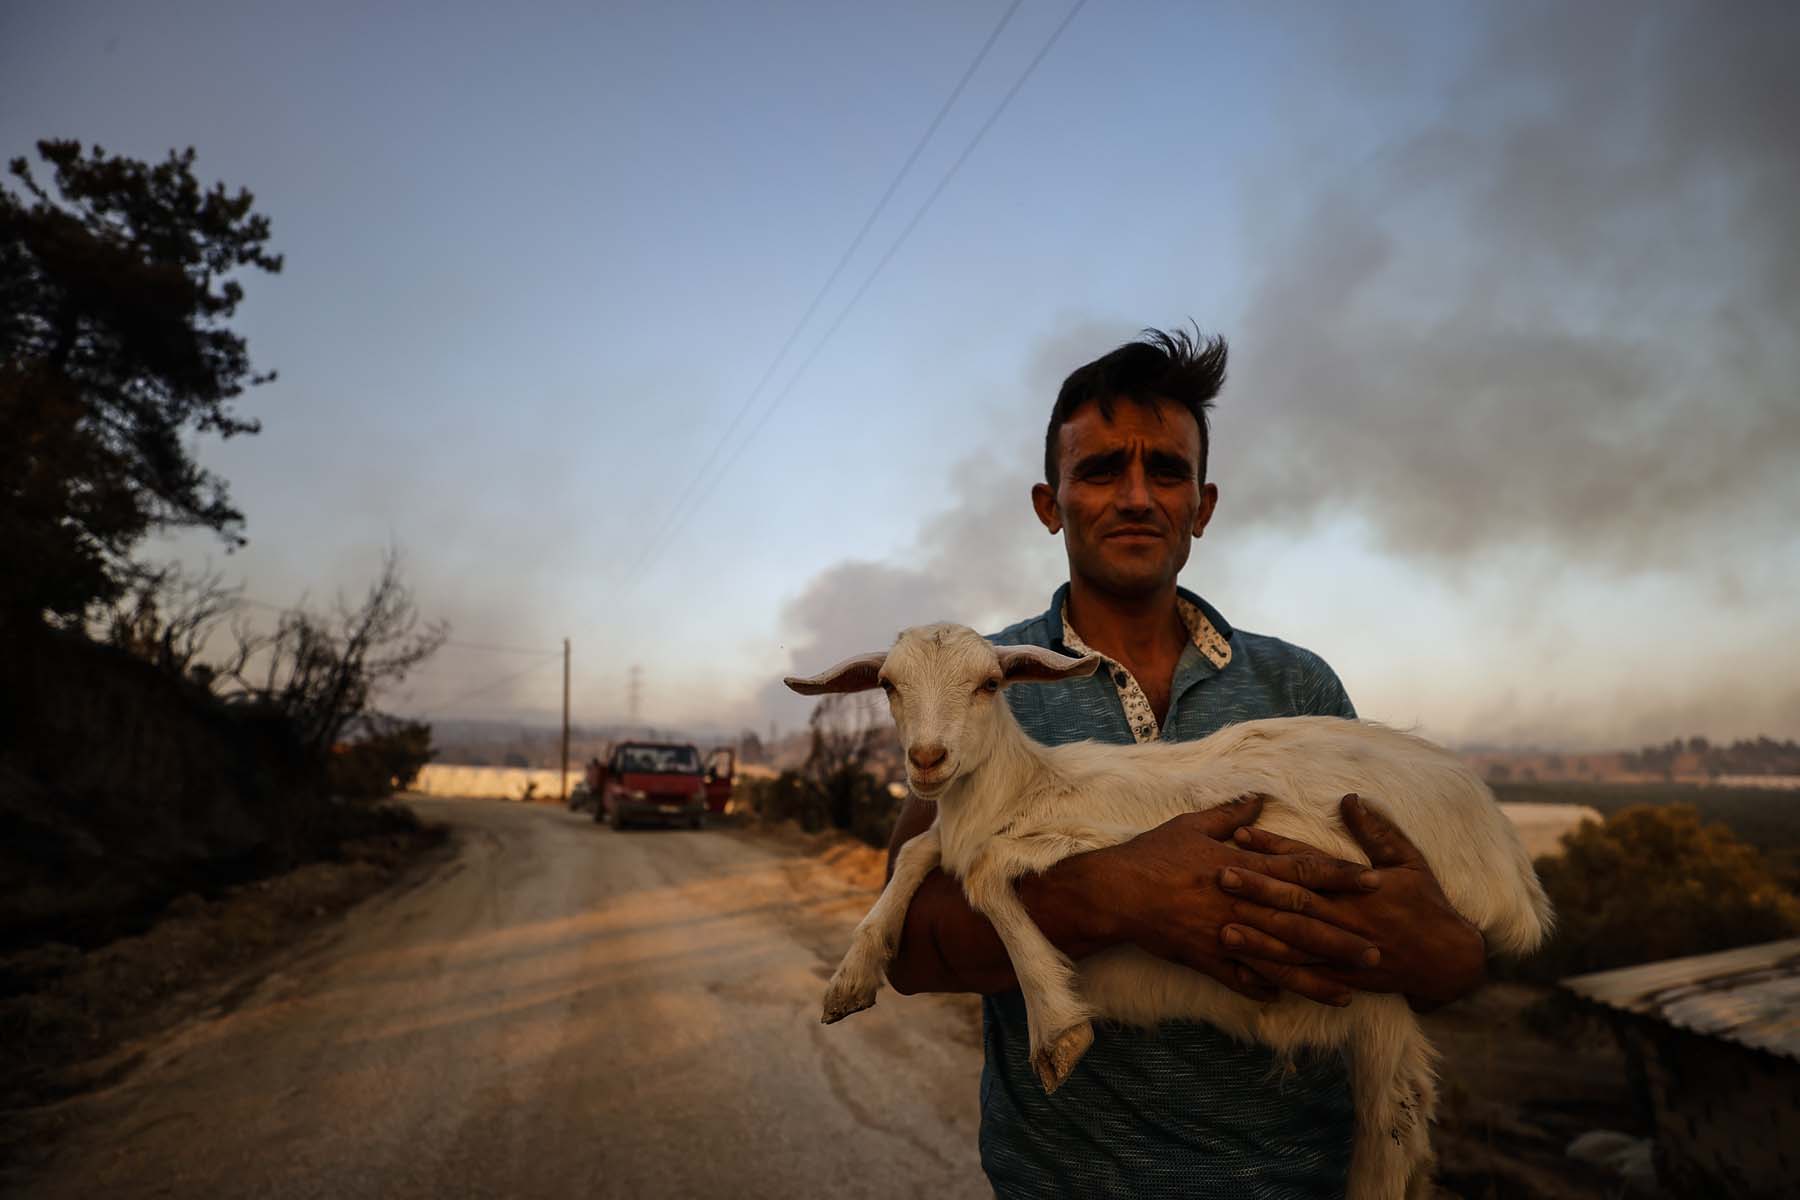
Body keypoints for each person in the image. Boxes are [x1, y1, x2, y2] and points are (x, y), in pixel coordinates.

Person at [881, 328, 1487, 1198]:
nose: (1135, 496)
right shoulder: (987, 680)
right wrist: (1119, 894)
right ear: (1050, 503)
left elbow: (1427, 937)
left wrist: (1442, 951)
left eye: (1164, 471)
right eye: (1099, 471)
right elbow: (909, 948)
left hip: (1298, 1181)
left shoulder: (1298, 684)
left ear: (1201, 507)